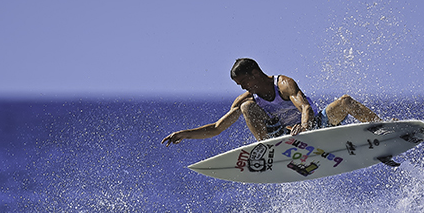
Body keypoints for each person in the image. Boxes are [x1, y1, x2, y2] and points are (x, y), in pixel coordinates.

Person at [161, 58, 385, 146]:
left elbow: (305, 107)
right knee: (246, 107)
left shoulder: (284, 84)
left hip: (315, 126)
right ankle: (268, 148)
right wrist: (184, 134)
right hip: (283, 138)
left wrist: (305, 128)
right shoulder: (248, 97)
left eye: (244, 82)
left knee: (345, 101)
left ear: (255, 73)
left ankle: (382, 129)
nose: (242, 87)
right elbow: (217, 128)